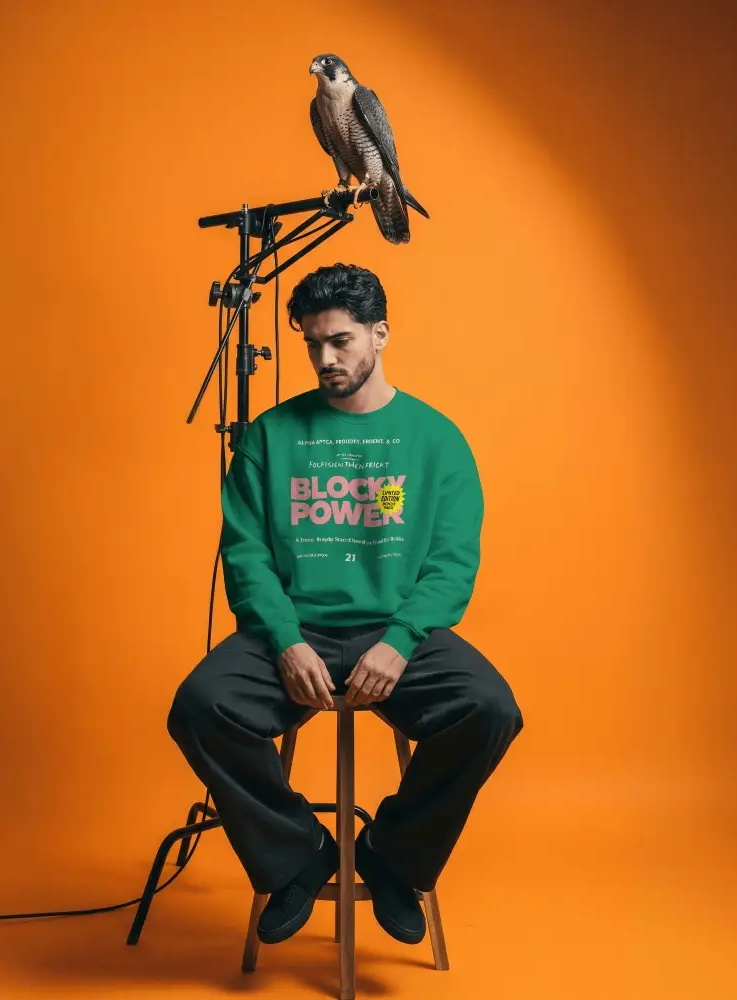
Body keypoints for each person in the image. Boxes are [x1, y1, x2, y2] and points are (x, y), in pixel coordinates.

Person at [167, 262, 524, 947]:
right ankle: (299, 857)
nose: (325, 359)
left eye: (341, 342)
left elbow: (452, 563)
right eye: (312, 345)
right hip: (295, 632)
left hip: (397, 635)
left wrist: (401, 639)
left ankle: (395, 858)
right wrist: (283, 639)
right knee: (198, 706)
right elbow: (245, 555)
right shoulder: (269, 438)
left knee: (490, 710)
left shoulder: (436, 439)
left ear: (380, 334)